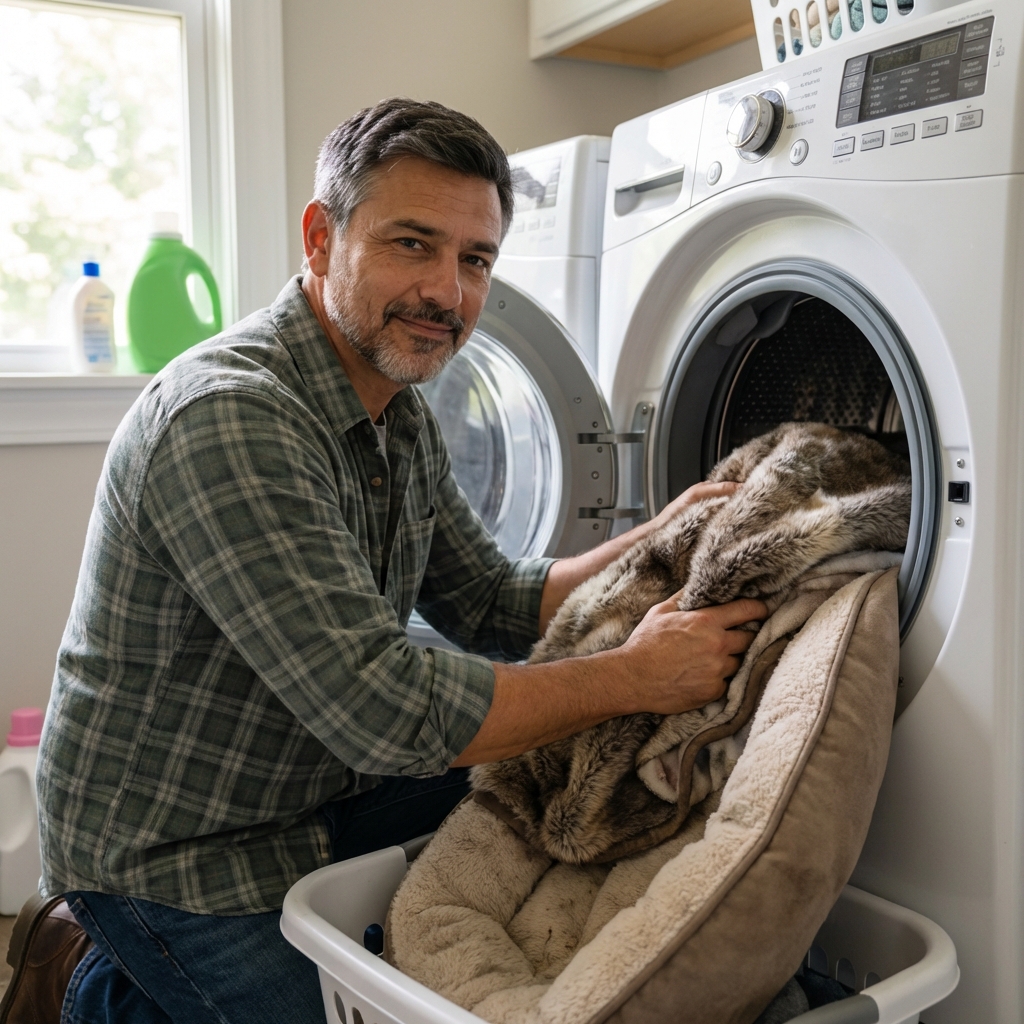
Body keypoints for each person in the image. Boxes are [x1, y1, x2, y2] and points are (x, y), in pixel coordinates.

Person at [3, 98, 765, 1024]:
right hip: (174, 848)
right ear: (321, 239)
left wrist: (659, 536)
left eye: (474, 259)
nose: (448, 293)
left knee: (549, 772)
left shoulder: (395, 409)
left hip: (312, 786)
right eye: (413, 243)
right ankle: (95, 968)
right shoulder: (229, 416)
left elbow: (486, 597)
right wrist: (640, 675)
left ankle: (140, 983)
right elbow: (383, 709)